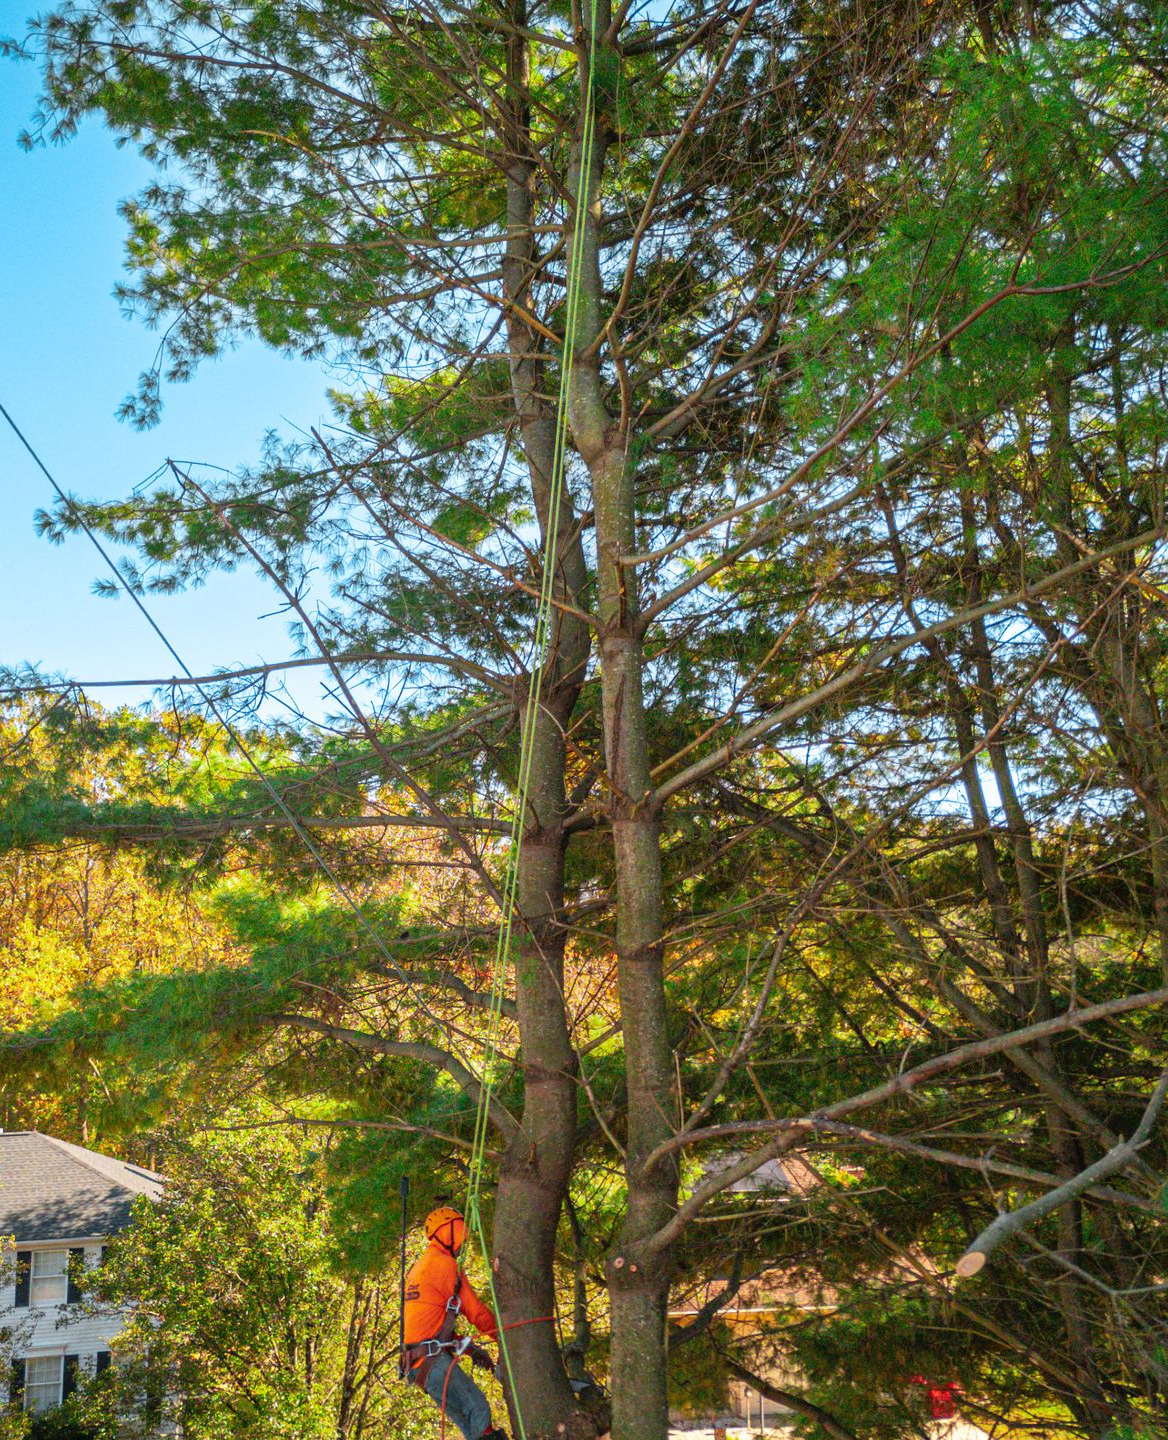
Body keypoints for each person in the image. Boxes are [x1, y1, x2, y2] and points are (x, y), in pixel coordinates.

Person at [402, 1206, 508, 1440]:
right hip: (433, 1362)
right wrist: (503, 1335)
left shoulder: (419, 1267)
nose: (463, 1243)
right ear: (449, 1233)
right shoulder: (444, 1264)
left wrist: (471, 1349)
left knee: (469, 1424)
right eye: (461, 1234)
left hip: (419, 1366)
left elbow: (434, 1330)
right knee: (478, 1408)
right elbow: (476, 1312)